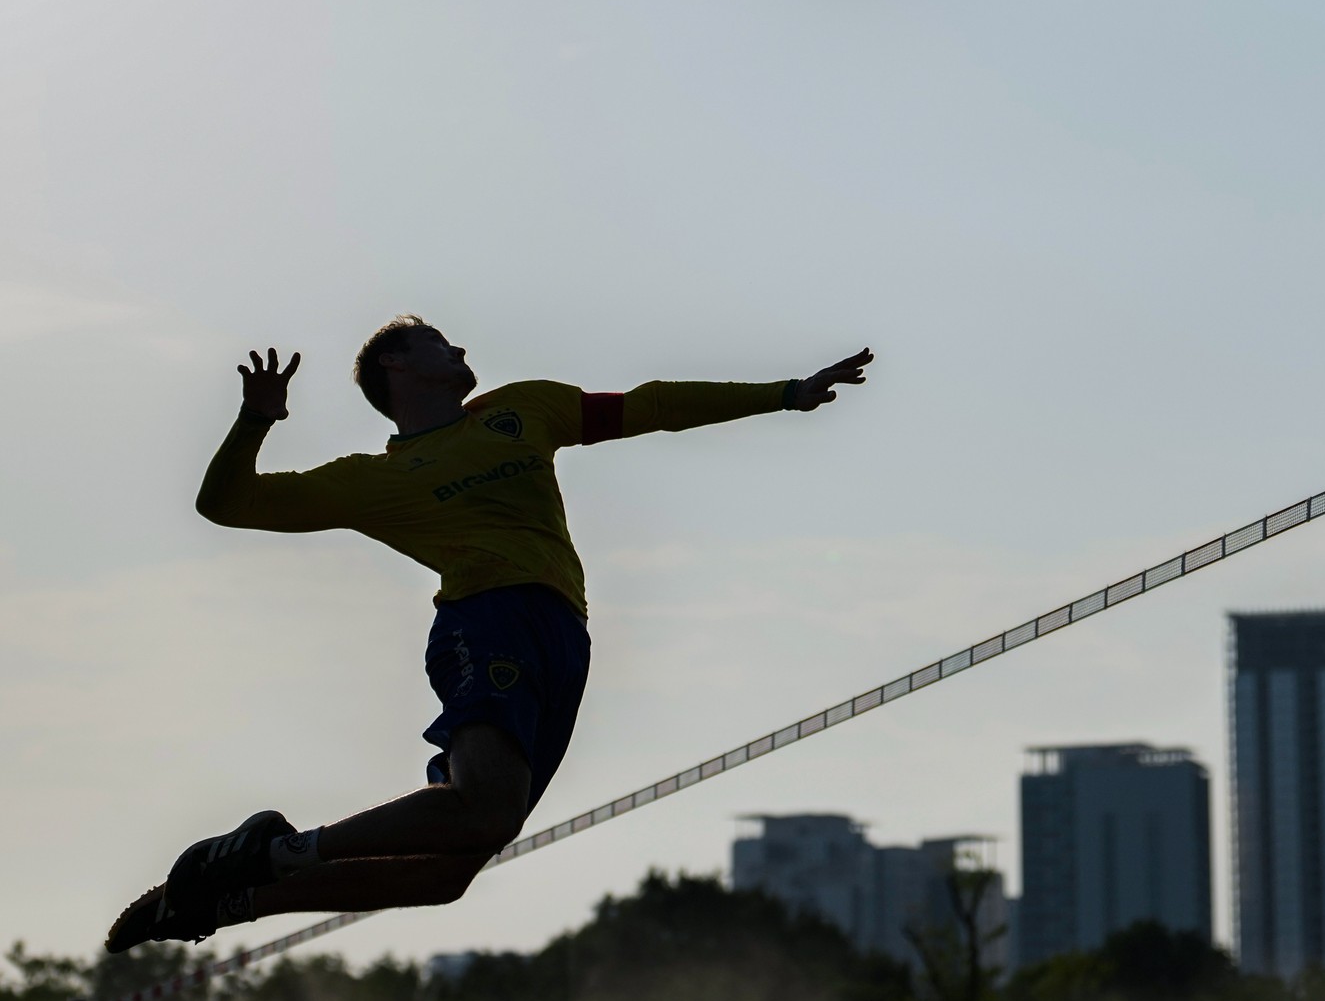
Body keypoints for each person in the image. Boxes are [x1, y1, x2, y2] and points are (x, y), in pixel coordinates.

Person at [106, 317, 872, 951]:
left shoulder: (524, 409)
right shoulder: (370, 480)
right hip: (487, 617)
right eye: (442, 342)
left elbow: (650, 405)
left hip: (563, 635)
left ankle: (228, 899)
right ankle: (272, 850)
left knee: (450, 870)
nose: (463, 351)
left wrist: (785, 394)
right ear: (398, 368)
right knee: (483, 807)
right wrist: (253, 421)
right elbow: (225, 504)